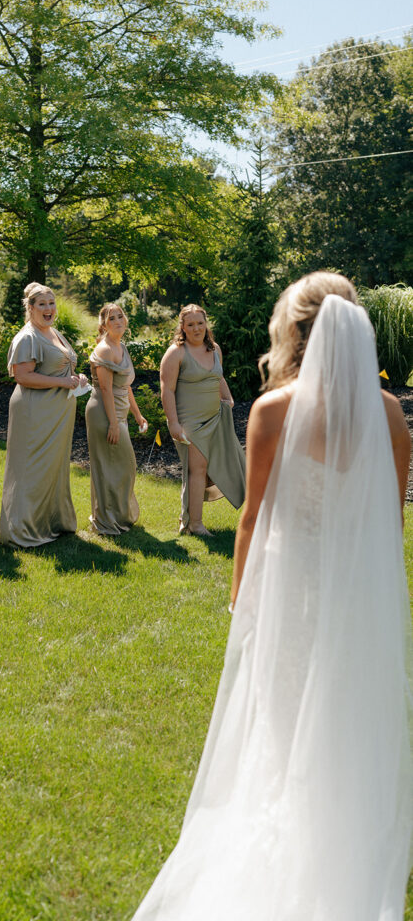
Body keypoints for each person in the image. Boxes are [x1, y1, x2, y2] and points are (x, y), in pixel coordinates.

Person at [132, 273, 413, 921]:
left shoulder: (274, 411)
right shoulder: (390, 415)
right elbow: (388, 523)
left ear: (292, 331)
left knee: (281, 742)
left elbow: (253, 518)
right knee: (341, 737)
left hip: (292, 603)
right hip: (356, 610)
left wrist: (241, 604)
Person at [0, 283, 86, 547]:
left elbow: (62, 367)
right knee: (30, 468)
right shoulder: (28, 337)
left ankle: (51, 522)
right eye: (42, 304)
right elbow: (23, 376)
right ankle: (20, 530)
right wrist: (62, 383)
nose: (49, 309)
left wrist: (76, 378)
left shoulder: (53, 333)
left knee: (52, 468)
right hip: (35, 411)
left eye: (52, 303)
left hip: (57, 412)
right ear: (31, 308)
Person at [160, 304, 245, 536]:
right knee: (197, 469)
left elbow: (218, 377)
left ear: (206, 324)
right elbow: (167, 390)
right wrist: (173, 423)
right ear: (183, 327)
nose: (196, 328)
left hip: (215, 418)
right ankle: (194, 524)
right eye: (190, 324)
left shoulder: (214, 349)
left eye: (200, 323)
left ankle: (186, 520)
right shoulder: (176, 353)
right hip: (190, 421)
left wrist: (228, 399)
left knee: (206, 469)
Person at [85, 303, 147, 534]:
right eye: (112, 318)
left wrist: (138, 416)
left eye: (120, 316)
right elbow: (106, 389)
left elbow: (126, 386)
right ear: (104, 325)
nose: (118, 321)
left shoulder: (121, 346)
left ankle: (117, 515)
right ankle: (105, 521)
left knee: (124, 467)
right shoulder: (105, 350)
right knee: (112, 466)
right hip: (103, 413)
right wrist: (113, 422)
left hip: (118, 414)